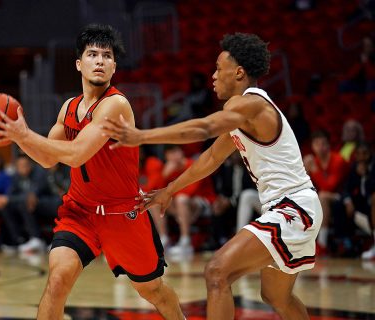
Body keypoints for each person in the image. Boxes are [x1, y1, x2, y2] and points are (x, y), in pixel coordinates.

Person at [102, 32, 322, 319]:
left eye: (219, 68)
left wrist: (141, 135)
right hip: (293, 207)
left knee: (217, 272)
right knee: (276, 295)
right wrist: (170, 189)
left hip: (293, 207)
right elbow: (211, 158)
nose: (213, 76)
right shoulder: (244, 115)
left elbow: (204, 128)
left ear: (239, 72)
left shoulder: (248, 104)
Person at [0, 24, 185, 320]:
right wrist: (18, 137)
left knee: (152, 290)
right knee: (57, 281)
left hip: (122, 215)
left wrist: (24, 135)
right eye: (92, 54)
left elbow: (77, 153)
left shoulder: (116, 105)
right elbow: (46, 159)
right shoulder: (69, 107)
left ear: (114, 67)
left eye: (107, 56)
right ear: (79, 64)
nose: (100, 60)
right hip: (80, 211)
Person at [303, 130, 347, 254]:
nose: (320, 147)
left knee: (323, 196)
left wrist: (315, 171)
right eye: (316, 144)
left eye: (323, 144)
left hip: (342, 196)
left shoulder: (338, 160)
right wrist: (305, 170)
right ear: (312, 146)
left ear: (328, 145)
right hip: (322, 196)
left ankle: (322, 244)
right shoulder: (312, 161)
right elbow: (303, 186)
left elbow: (329, 187)